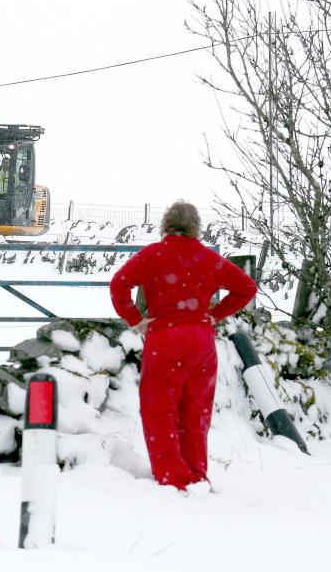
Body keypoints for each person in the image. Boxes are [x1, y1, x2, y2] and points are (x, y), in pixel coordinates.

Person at [109, 200, 257, 492]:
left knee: (159, 409)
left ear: (165, 225)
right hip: (201, 341)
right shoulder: (207, 258)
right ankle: (196, 474)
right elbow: (246, 288)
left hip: (164, 337)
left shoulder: (153, 256)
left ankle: (171, 475)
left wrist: (136, 319)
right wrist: (214, 314)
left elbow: (119, 285)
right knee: (196, 410)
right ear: (195, 228)